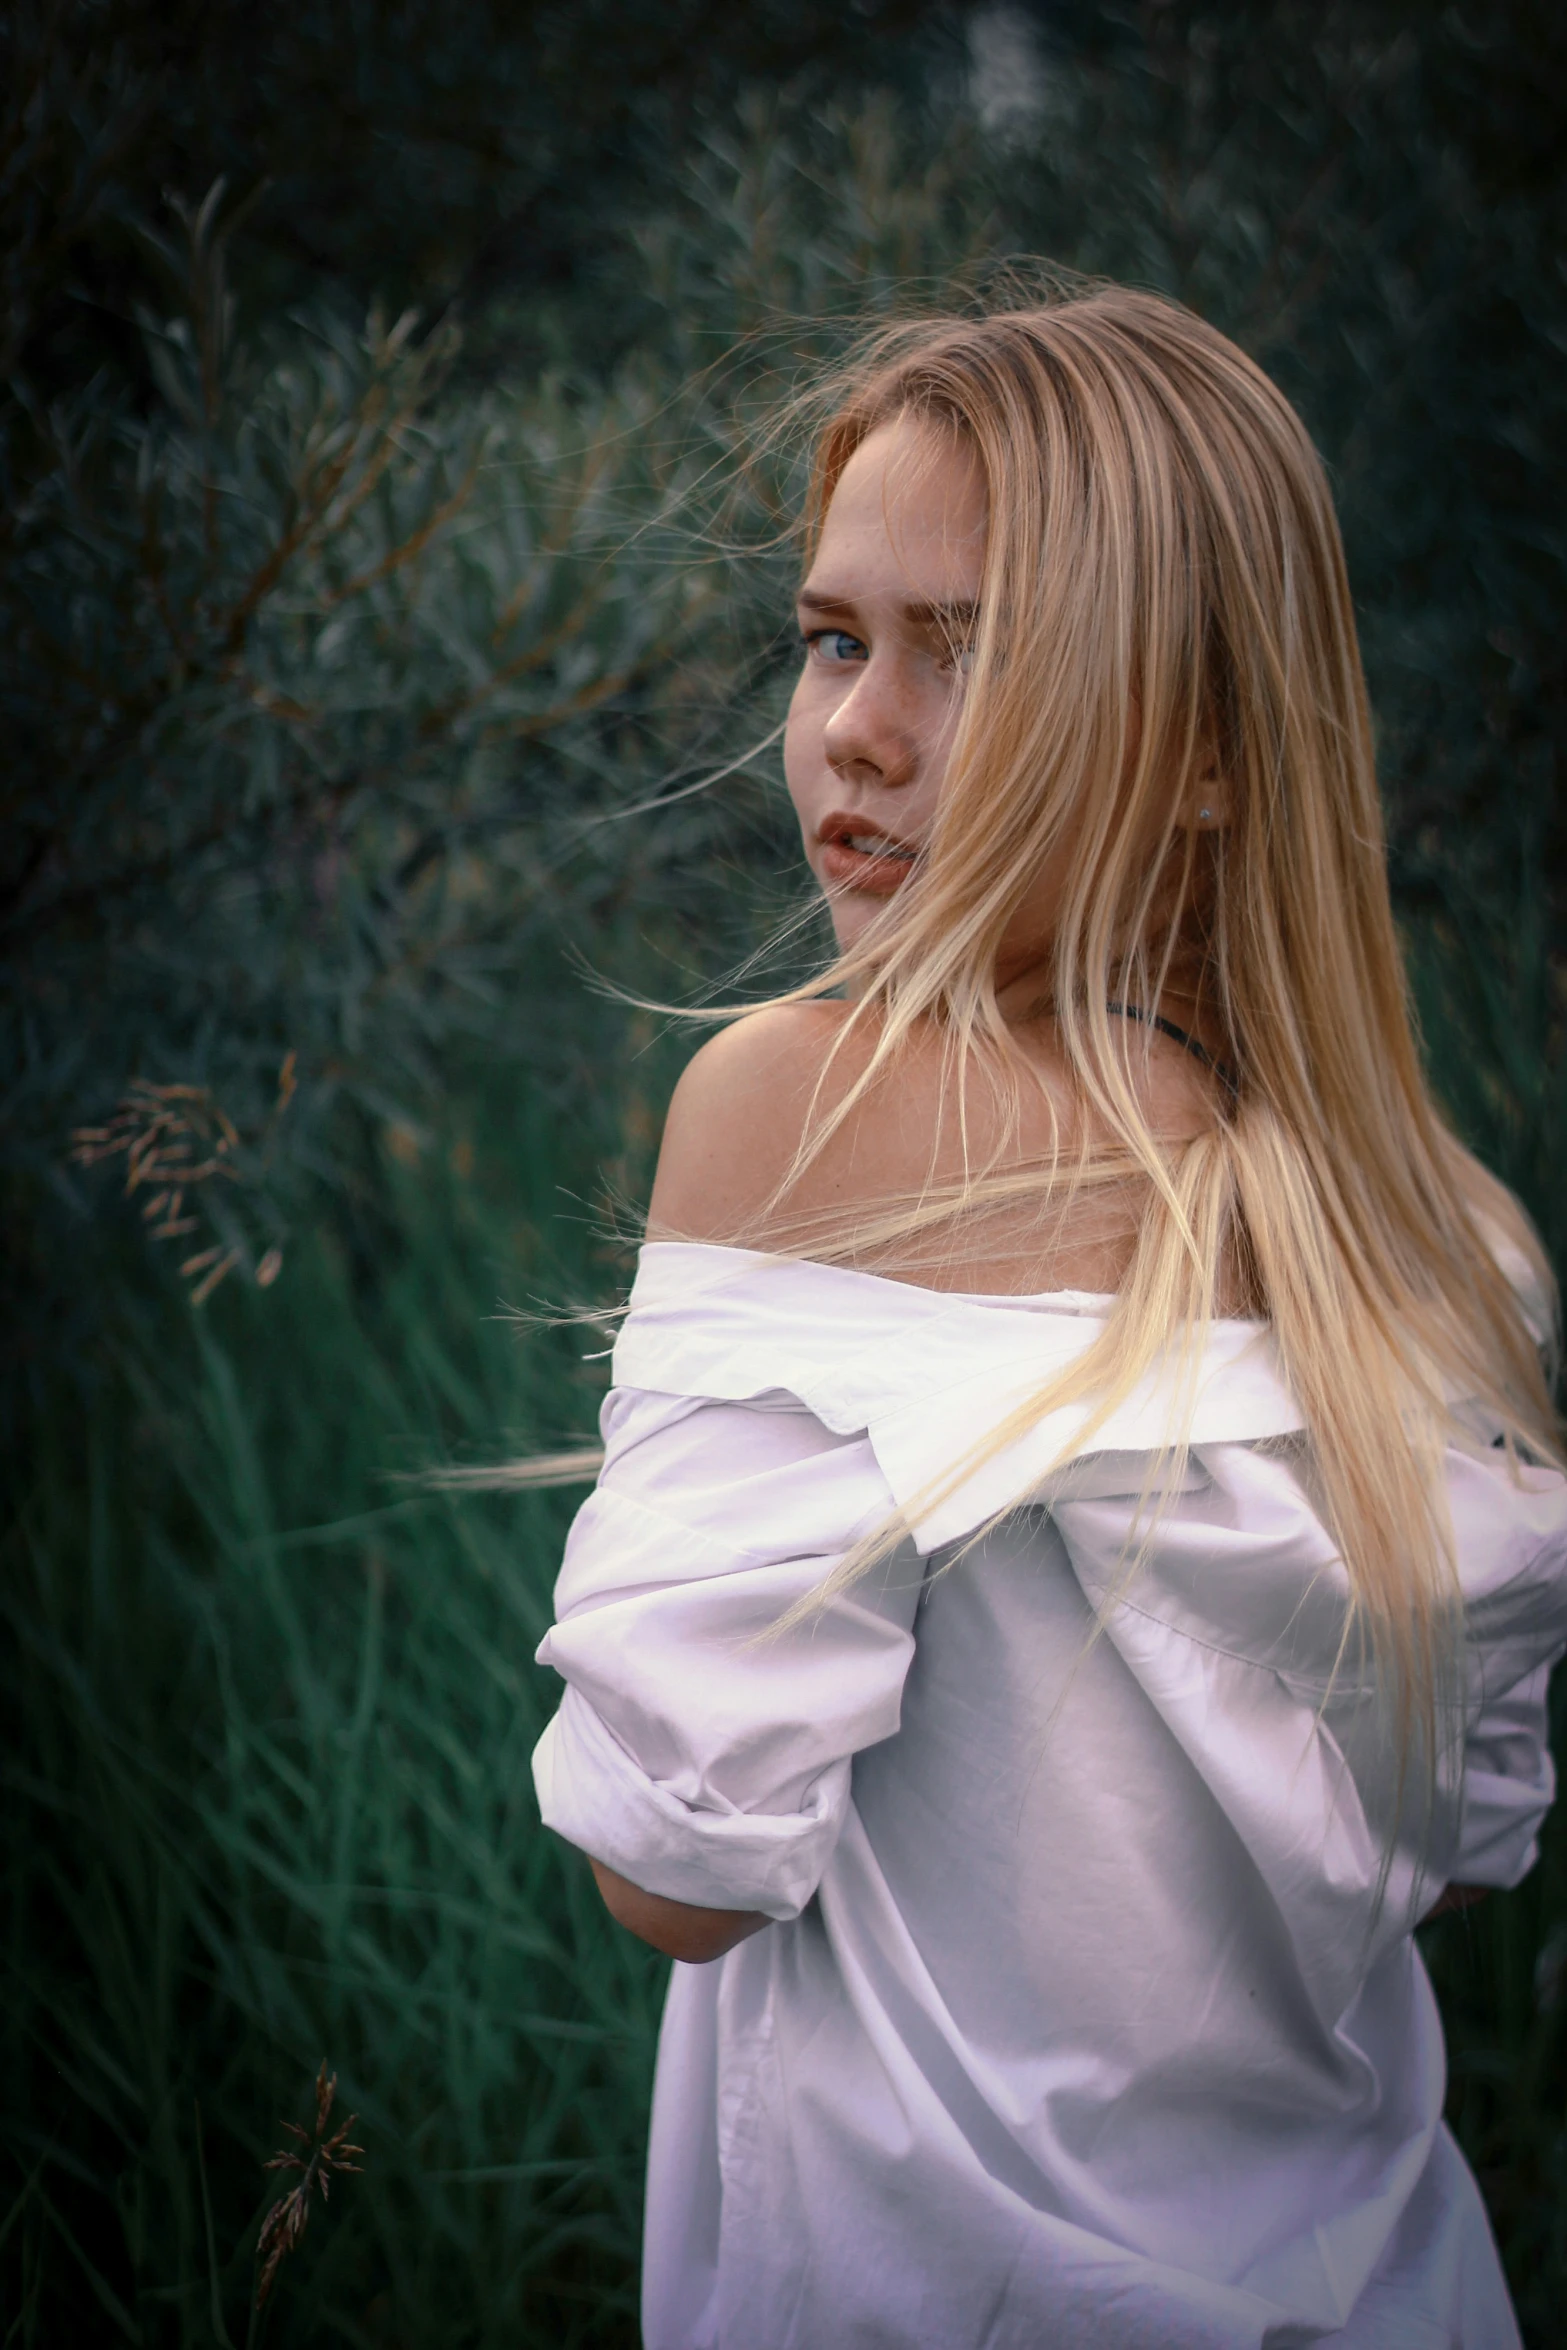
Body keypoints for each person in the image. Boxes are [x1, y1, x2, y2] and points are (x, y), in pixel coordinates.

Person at [530, 287, 1567, 2349]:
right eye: (836, 635)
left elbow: (682, 1874)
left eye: (972, 649)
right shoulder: (1448, 1235)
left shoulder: (791, 1108)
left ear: (1198, 752)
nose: (859, 728)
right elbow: (1456, 1854)